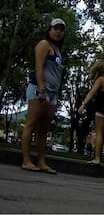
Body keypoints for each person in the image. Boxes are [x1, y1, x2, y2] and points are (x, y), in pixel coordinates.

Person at [21, 18, 67, 174]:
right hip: (39, 90)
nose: (58, 31)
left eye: (61, 29)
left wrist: (56, 95)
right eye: (56, 28)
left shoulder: (57, 50)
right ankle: (27, 161)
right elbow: (38, 67)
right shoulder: (44, 45)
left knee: (44, 130)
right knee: (31, 124)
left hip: (52, 94)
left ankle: (41, 162)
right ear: (49, 29)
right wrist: (41, 90)